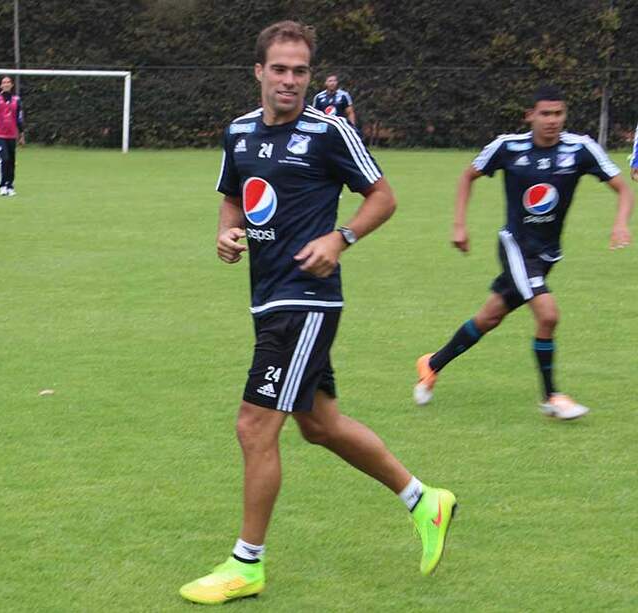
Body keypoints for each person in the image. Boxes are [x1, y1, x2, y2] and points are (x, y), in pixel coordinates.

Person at [179, 21, 456, 606]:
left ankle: (246, 565)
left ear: (310, 76)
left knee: (253, 427)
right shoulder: (239, 133)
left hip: (305, 303)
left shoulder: (329, 132)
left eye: (300, 71)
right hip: (267, 298)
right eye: (279, 69)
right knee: (320, 424)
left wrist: (341, 238)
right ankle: (424, 501)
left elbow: (383, 196)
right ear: (258, 72)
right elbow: (234, 198)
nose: (290, 80)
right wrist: (227, 235)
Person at [413, 85, 633, 419]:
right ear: (529, 115)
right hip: (515, 246)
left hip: (546, 255)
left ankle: (432, 363)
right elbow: (467, 177)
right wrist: (459, 224)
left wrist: (620, 223)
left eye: (558, 113)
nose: (552, 120)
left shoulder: (580, 149)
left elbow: (622, 187)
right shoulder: (507, 147)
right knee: (548, 315)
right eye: (545, 113)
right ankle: (551, 397)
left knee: (489, 317)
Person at [0, 76, 25, 196]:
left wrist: (21, 134)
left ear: (12, 85)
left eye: (8, 82)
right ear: (1, 85)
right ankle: (2, 185)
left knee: (12, 160)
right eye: (4, 82)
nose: (6, 84)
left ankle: (10, 186)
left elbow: (19, 118)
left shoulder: (16, 100)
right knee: (4, 159)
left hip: (12, 135)